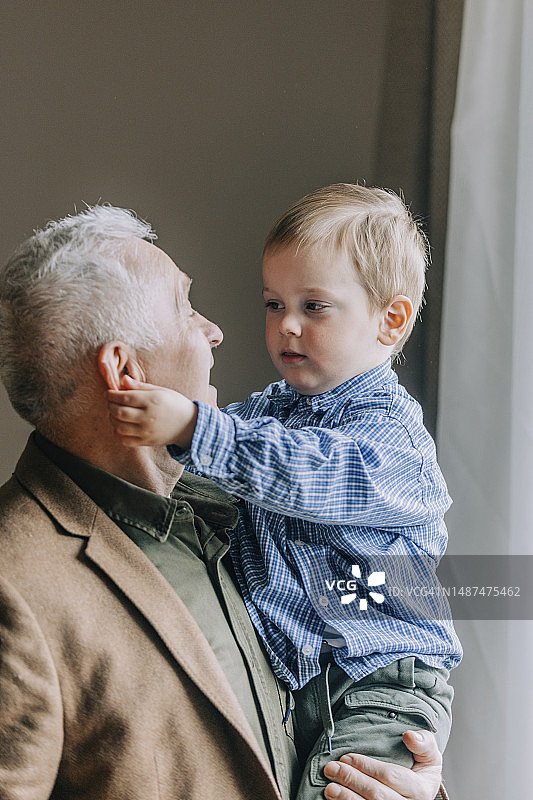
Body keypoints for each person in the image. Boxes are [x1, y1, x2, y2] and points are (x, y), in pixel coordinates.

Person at [0, 204, 448, 800]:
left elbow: (318, 479)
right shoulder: (17, 584)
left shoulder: (351, 449)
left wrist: (410, 786)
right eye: (186, 307)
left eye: (313, 306)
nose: (215, 330)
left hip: (378, 679)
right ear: (126, 371)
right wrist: (199, 430)